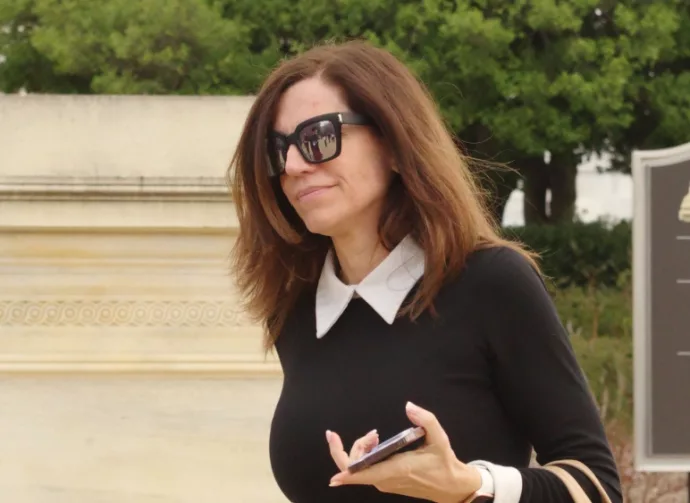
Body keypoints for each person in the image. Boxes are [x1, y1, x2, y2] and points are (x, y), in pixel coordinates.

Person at [227, 40, 622, 503]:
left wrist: (472, 485)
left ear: (394, 145)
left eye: (318, 138)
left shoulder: (491, 283)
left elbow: (597, 487)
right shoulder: (295, 309)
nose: (293, 166)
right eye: (279, 151)